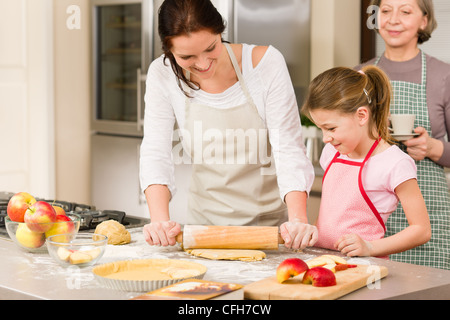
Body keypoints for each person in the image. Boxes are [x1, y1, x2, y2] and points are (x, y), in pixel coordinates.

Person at [139, 0, 316, 249]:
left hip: (267, 231)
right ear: (168, 50)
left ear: (221, 31)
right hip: (203, 230)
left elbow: (288, 148)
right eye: (187, 57)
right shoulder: (163, 74)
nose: (202, 64)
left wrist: (298, 220)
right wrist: (159, 221)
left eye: (211, 48)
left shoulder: (265, 64)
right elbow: (155, 151)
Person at [301, 65, 431, 257]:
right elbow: (333, 218)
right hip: (321, 258)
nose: (325, 138)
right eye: (321, 128)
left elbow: (421, 230)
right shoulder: (331, 153)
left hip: (364, 269)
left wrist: (370, 247)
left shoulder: (394, 163)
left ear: (362, 116)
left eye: (331, 128)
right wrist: (310, 231)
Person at [359, 0, 450, 269]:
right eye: (385, 11)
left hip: (427, 216)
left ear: (424, 20)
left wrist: (433, 148)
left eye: (406, 11)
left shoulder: (443, 76)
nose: (393, 19)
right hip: (371, 213)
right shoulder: (359, 76)